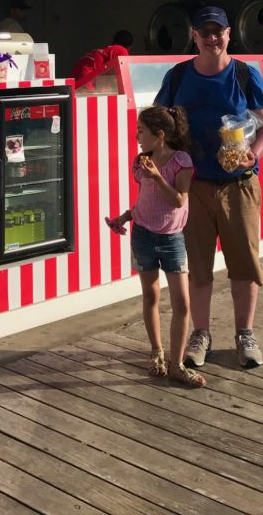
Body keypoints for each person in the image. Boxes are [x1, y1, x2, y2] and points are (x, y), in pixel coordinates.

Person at [154, 5, 263, 371]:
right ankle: (201, 334)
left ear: (228, 34)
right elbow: (158, 128)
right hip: (192, 187)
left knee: (243, 263)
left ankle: (245, 334)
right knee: (198, 266)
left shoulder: (244, 74)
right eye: (204, 32)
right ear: (194, 36)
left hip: (239, 184)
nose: (212, 38)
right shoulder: (177, 77)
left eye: (218, 31)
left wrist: (252, 154)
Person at [105, 105, 205, 387]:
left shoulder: (181, 161)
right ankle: (157, 354)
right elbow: (144, 199)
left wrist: (158, 177)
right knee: (150, 296)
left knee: (182, 303)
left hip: (172, 239)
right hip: (143, 235)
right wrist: (124, 216)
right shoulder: (141, 162)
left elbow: (179, 200)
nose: (137, 136)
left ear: (159, 135)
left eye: (141, 131)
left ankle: (177, 363)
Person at [69, 29, 133, 82]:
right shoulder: (122, 50)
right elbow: (125, 76)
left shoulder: (108, 50)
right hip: (86, 78)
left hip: (75, 77)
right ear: (129, 46)